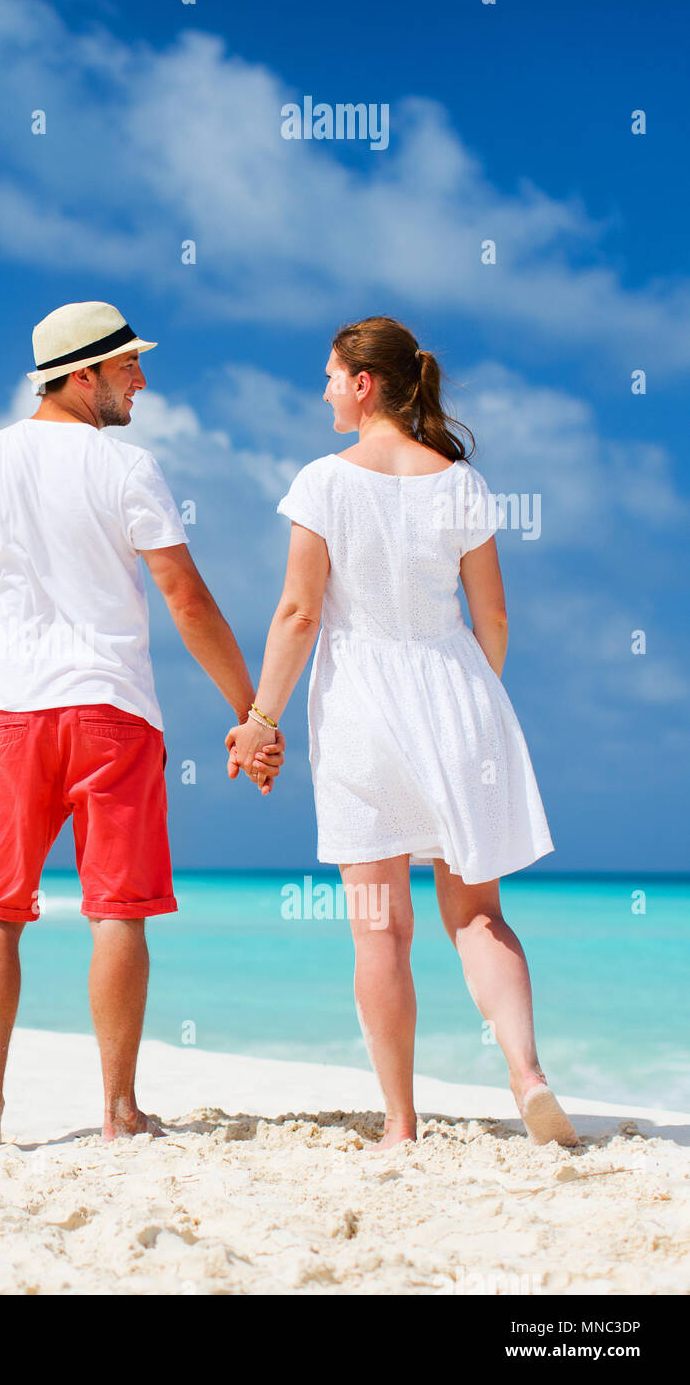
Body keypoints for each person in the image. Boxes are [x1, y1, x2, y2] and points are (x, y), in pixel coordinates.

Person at [0, 301, 284, 1145]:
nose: (142, 382)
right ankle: (120, 1112)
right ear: (84, 373)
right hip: (113, 713)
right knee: (117, 912)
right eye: (129, 367)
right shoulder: (128, 468)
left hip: (13, 715)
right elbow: (186, 599)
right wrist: (253, 712)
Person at [228, 315, 578, 1149]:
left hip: (361, 707)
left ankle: (400, 1121)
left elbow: (299, 612)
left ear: (364, 383)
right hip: (457, 693)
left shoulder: (323, 481)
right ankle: (528, 1073)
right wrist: (470, 704)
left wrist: (260, 720)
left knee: (380, 926)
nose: (321, 391)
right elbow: (491, 616)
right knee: (479, 917)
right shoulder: (460, 483)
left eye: (328, 376)